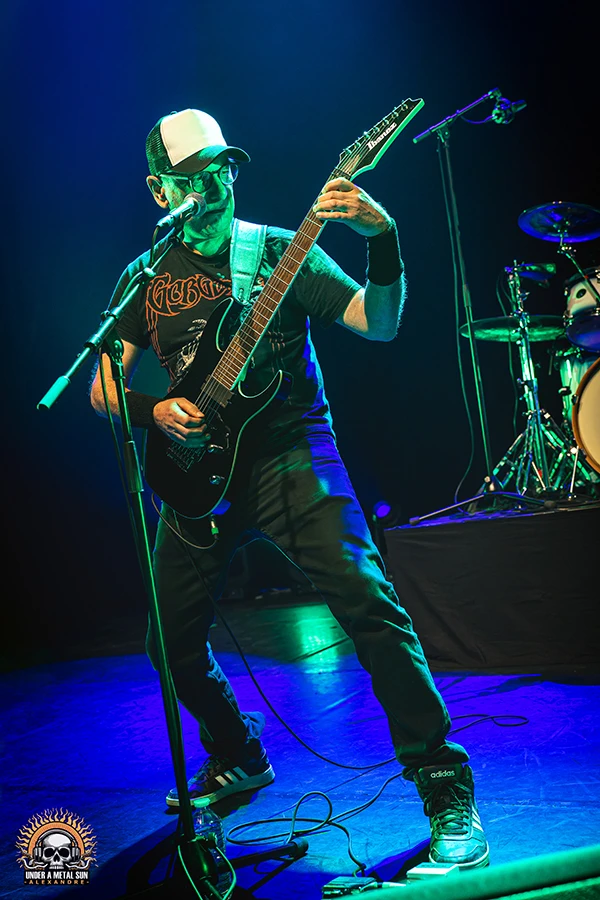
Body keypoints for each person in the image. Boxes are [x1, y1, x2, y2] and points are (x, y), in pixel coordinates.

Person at [90, 107, 489, 870]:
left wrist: (383, 237)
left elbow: (378, 322)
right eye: (194, 174)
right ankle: (239, 751)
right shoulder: (145, 277)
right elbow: (105, 384)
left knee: (368, 602)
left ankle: (444, 784)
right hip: (199, 473)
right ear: (159, 191)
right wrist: (154, 410)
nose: (216, 182)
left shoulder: (278, 251)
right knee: (166, 644)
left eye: (223, 166)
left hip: (289, 453)